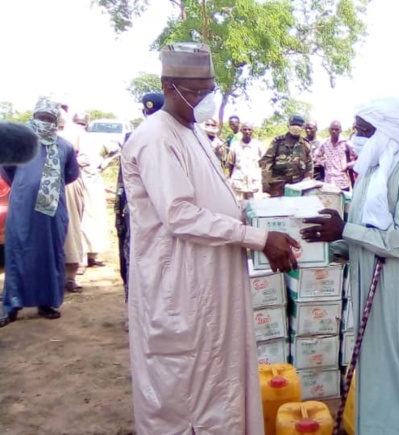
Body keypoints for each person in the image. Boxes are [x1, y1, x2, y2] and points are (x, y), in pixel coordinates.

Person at [121, 42, 299, 433]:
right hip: (179, 285)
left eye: (209, 90)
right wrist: (256, 237)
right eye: (196, 91)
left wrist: (256, 228)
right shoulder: (155, 138)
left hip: (212, 278)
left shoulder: (194, 131)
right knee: (187, 391)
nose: (203, 99)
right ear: (169, 86)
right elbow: (179, 214)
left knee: (221, 379)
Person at [300, 97, 399, 435]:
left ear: (386, 132)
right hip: (374, 297)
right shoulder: (371, 173)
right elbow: (364, 235)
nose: (356, 138)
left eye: (364, 131)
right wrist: (326, 243)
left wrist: (345, 231)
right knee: (380, 380)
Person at [0, 97, 80, 327]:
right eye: (40, 117)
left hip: (52, 212)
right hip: (22, 208)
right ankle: (12, 305)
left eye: (49, 118)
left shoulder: (64, 146)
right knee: (18, 253)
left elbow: (71, 174)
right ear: (33, 117)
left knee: (49, 252)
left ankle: (47, 302)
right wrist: (28, 188)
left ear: (56, 120)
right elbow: (7, 172)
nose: (44, 122)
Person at [116, 94, 163, 330]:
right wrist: (119, 216)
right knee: (133, 261)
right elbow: (121, 183)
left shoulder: (171, 139)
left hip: (162, 216)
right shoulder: (131, 138)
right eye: (147, 114)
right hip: (135, 213)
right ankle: (133, 313)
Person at [79, 111, 121, 268]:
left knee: (94, 216)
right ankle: (80, 259)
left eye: (82, 123)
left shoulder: (93, 138)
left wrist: (104, 163)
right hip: (74, 182)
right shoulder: (68, 138)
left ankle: (92, 255)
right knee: (78, 219)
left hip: (92, 181)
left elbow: (116, 148)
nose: (80, 126)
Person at [58, 112, 88, 292]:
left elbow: (86, 157)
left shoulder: (77, 132)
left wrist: (66, 161)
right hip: (42, 186)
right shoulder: (34, 134)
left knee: (70, 229)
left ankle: (70, 277)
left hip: (68, 183)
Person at [260, 114, 313, 196]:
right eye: (293, 125)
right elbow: (267, 161)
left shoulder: (305, 144)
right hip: (278, 187)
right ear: (288, 125)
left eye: (298, 125)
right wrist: (266, 182)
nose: (296, 127)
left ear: (302, 127)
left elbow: (309, 167)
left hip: (298, 187)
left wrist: (306, 183)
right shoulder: (278, 142)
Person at [312, 120, 355, 191]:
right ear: (329, 130)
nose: (334, 131)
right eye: (332, 129)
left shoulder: (346, 143)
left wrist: (348, 165)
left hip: (342, 181)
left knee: (342, 201)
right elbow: (316, 155)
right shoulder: (325, 143)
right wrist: (324, 163)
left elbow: (358, 158)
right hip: (329, 181)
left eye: (336, 129)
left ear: (340, 130)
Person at [228, 122, 263, 200]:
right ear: (241, 130)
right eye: (245, 129)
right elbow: (231, 163)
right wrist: (230, 178)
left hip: (254, 180)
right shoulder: (235, 145)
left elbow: (262, 163)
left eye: (249, 130)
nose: (247, 132)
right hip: (239, 180)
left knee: (254, 204)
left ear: (252, 131)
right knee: (239, 204)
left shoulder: (258, 145)